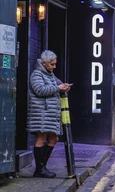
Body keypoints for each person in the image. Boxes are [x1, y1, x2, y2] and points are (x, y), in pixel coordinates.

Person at [27, 50, 72, 178]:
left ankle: (42, 167)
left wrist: (64, 86)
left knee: (54, 139)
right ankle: (40, 169)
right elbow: (40, 90)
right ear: (44, 63)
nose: (54, 67)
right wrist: (59, 88)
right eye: (52, 64)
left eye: (55, 64)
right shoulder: (36, 75)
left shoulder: (49, 74)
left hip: (50, 114)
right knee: (41, 138)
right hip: (41, 113)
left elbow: (58, 83)